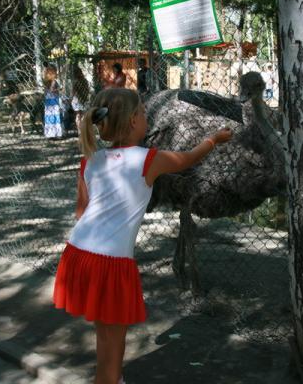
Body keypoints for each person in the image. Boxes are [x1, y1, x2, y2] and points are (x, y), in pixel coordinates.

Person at [52, 88, 232, 384]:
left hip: (77, 252)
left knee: (105, 334)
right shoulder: (148, 160)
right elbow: (188, 159)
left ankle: (108, 379)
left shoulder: (90, 161)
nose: (148, 118)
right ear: (134, 120)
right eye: (145, 114)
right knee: (115, 340)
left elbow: (80, 214)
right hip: (109, 262)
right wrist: (213, 140)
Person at [43, 64, 64, 139]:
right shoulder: (54, 81)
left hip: (48, 101)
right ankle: (57, 134)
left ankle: (50, 134)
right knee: (56, 116)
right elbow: (52, 90)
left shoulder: (46, 81)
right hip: (54, 100)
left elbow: (45, 92)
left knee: (49, 117)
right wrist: (59, 89)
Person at [71, 65, 91, 132]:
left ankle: (80, 131)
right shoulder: (85, 80)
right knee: (82, 115)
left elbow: (73, 92)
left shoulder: (75, 81)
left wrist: (71, 98)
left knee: (78, 115)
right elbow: (87, 90)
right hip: (83, 99)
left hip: (77, 100)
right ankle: (83, 130)